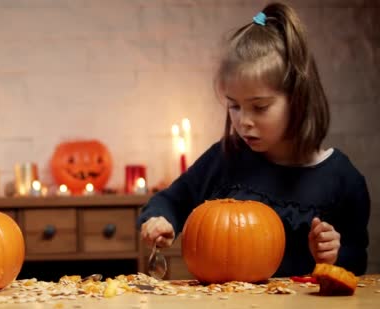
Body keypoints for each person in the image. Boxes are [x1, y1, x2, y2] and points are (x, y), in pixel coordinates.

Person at [138, 2, 370, 276]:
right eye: (234, 106)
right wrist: (159, 219)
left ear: (298, 99)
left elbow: (356, 266)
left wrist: (333, 256)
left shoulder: (343, 179)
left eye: (259, 107)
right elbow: (172, 200)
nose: (243, 121)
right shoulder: (225, 157)